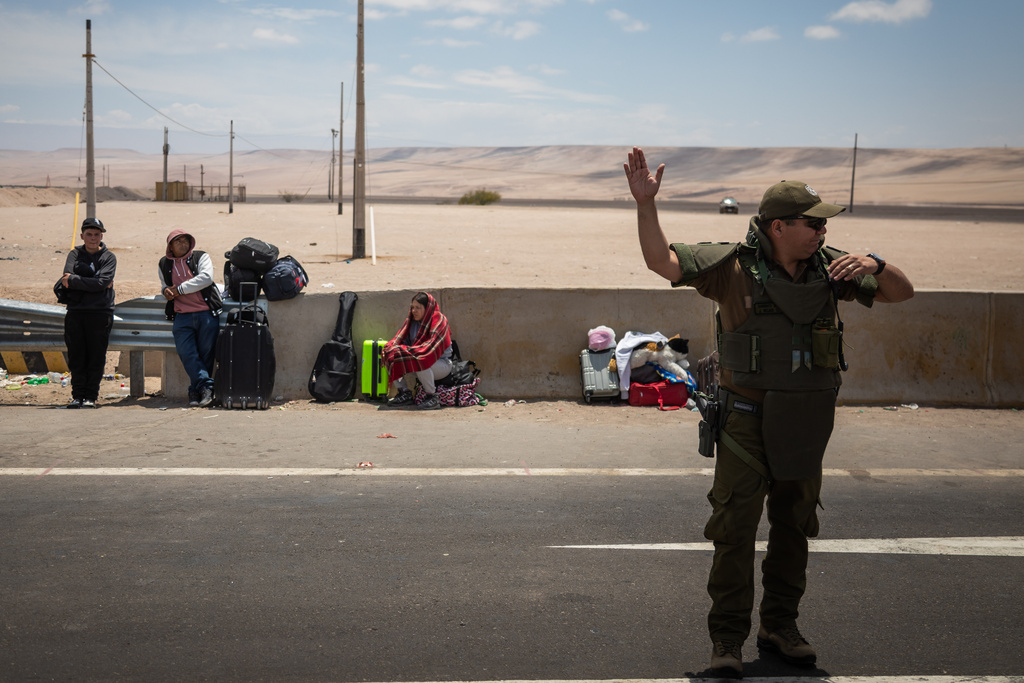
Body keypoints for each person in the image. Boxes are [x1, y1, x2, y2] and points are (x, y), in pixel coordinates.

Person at [624, 146, 914, 677]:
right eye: (812, 224)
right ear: (778, 227)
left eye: (824, 225)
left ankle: (780, 626)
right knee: (734, 530)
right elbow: (661, 261)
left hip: (805, 424)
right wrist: (646, 206)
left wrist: (875, 262)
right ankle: (728, 641)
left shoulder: (833, 269)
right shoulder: (732, 268)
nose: (821, 233)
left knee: (793, 527)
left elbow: (903, 292)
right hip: (744, 422)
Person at [158, 229, 223, 408]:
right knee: (187, 354)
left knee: (206, 355)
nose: (182, 244)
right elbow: (164, 285)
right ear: (170, 245)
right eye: (177, 241)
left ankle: (196, 391)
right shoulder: (164, 263)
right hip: (182, 316)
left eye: (185, 240)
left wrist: (178, 290)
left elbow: (206, 278)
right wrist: (166, 291)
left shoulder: (201, 257)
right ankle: (207, 388)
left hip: (206, 313)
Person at [61, 217, 117, 408]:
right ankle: (77, 396)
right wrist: (96, 282)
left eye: (96, 234)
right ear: (82, 236)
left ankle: (91, 397)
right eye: (89, 234)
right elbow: (66, 280)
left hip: (100, 313)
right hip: (76, 312)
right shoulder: (74, 254)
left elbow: (102, 283)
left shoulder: (109, 257)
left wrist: (77, 280)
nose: (93, 238)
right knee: (76, 356)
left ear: (101, 236)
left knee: (96, 356)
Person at [383, 292, 452, 411]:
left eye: (418, 308)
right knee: (391, 353)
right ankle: (404, 393)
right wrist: (393, 349)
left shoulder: (439, 321)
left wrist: (408, 351)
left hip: (441, 364)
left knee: (421, 360)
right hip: (418, 359)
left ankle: (432, 397)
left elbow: (429, 350)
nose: (414, 311)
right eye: (412, 307)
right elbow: (401, 341)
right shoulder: (412, 322)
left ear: (427, 308)